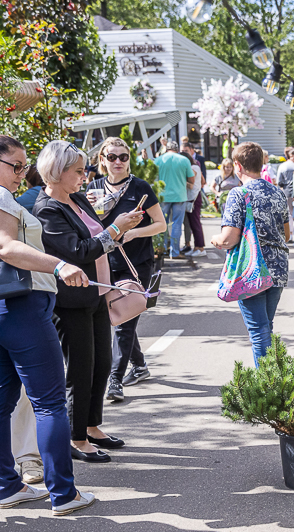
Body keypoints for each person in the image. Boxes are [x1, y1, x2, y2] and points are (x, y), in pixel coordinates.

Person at [0, 134, 99, 515]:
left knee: (4, 403)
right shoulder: (4, 198)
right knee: (50, 403)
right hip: (22, 307)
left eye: (25, 166)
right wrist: (58, 264)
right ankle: (63, 492)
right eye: (16, 166)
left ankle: (8, 486)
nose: (22, 174)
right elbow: (7, 246)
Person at [34, 140, 144, 463]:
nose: (86, 176)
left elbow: (95, 239)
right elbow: (80, 251)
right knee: (80, 369)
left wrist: (120, 229)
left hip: (96, 292)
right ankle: (76, 437)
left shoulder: (75, 198)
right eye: (79, 171)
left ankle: (92, 426)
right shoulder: (47, 209)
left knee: (100, 363)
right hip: (72, 300)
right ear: (57, 172)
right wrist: (115, 229)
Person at [86, 137, 167, 403]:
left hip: (136, 264)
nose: (118, 162)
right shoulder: (94, 188)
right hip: (103, 264)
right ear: (102, 160)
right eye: (112, 157)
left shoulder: (139, 188)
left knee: (124, 322)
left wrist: (134, 234)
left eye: (123, 157)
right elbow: (88, 228)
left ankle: (115, 380)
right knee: (119, 317)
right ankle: (139, 365)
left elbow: (160, 224)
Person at [210, 142, 289, 366]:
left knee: (258, 330)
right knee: (266, 327)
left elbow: (229, 239)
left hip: (252, 269)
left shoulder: (238, 194)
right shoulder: (278, 193)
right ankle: (274, 378)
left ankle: (266, 385)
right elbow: (287, 234)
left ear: (237, 166)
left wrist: (215, 239)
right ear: (262, 163)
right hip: (278, 269)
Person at [152, 140, 195, 259]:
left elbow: (153, 178)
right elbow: (191, 179)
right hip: (179, 195)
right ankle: (175, 252)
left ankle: (161, 249)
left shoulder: (159, 160)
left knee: (161, 223)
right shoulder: (184, 160)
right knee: (177, 224)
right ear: (177, 150)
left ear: (167, 149)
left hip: (163, 195)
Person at [180, 148, 206, 257]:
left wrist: (179, 180)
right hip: (193, 197)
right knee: (192, 223)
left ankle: (200, 248)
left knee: (195, 223)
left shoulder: (193, 168)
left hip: (194, 198)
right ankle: (196, 247)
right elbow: (203, 182)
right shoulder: (195, 167)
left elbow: (191, 184)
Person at [276, 147, 294, 241]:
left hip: (287, 191)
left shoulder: (283, 166)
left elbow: (279, 181)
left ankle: (290, 234)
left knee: (289, 214)